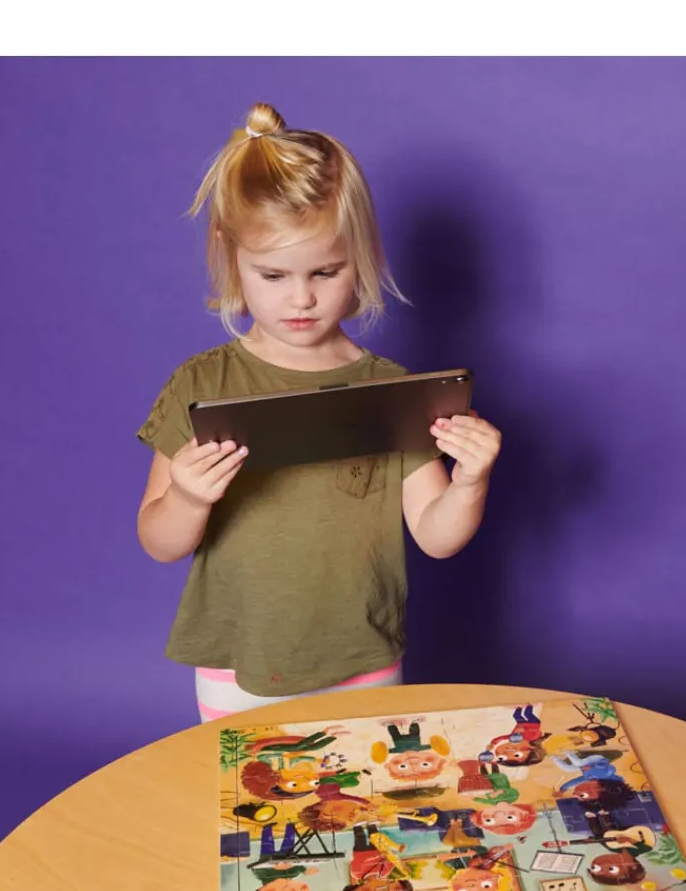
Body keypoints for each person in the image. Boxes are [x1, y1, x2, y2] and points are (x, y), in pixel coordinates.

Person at [135, 103, 503, 721]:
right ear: (232, 257)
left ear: (360, 256)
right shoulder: (203, 383)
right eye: (273, 275)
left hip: (364, 664)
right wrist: (188, 499)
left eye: (326, 272)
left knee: (372, 785)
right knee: (250, 787)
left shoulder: (392, 391)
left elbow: (435, 536)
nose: (301, 298)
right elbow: (158, 541)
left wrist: (470, 481)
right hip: (239, 665)